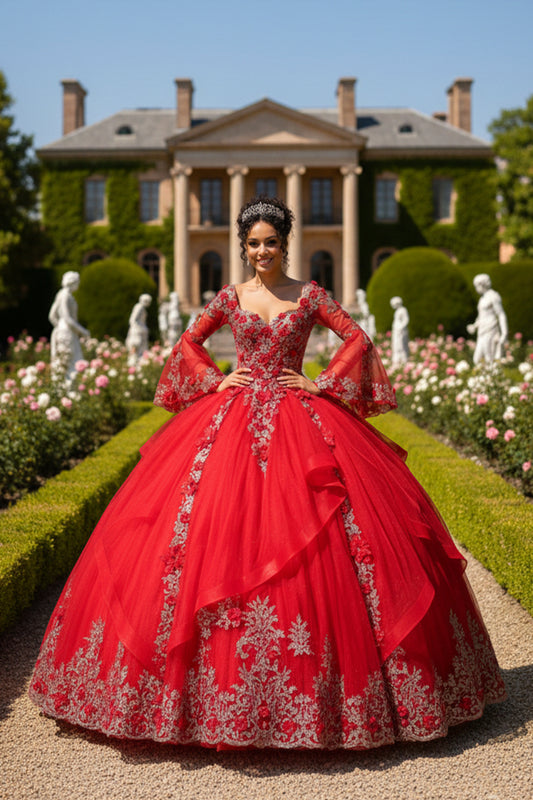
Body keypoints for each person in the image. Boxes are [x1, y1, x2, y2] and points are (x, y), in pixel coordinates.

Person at [30, 197, 505, 750]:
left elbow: (357, 338)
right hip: (230, 420)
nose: (261, 251)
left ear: (285, 243)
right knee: (206, 532)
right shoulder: (230, 297)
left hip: (299, 416)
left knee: (332, 536)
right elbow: (189, 342)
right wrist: (212, 382)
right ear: (243, 246)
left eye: (270, 242)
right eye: (253, 243)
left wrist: (322, 384)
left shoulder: (310, 295)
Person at [48, 271, 90, 381]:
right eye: (78, 281)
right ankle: (67, 389)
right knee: (69, 361)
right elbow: (67, 318)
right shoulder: (66, 296)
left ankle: (65, 387)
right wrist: (82, 331)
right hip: (68, 331)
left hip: (64, 330)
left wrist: (58, 327)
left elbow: (52, 315)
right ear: (73, 282)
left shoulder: (60, 294)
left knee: (66, 360)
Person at [467, 274, 508, 365]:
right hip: (482, 330)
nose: (476, 289)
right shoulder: (482, 299)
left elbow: (501, 314)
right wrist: (474, 326)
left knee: (489, 358)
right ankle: (484, 378)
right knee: (477, 359)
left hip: (491, 329)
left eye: (476, 286)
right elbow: (481, 316)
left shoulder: (493, 296)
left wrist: (504, 333)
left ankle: (491, 378)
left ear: (483, 285)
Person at [125, 293, 152, 364]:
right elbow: (133, 319)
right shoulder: (139, 307)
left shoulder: (141, 308)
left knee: (140, 350)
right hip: (137, 332)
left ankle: (136, 363)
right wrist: (138, 328)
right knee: (135, 348)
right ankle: (133, 364)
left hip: (140, 331)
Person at [390, 295, 410, 368]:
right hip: (396, 329)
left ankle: (403, 360)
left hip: (400, 331)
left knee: (401, 345)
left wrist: (401, 327)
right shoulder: (397, 311)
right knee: (396, 345)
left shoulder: (403, 310)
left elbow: (406, 320)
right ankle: (397, 360)